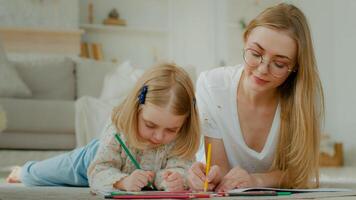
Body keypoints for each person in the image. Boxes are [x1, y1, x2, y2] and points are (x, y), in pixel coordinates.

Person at [187, 3, 324, 192]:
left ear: (295, 68)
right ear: (245, 39)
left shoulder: (302, 97)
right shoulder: (212, 85)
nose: (262, 69)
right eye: (255, 53)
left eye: (279, 64)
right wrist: (211, 176)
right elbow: (222, 177)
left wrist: (256, 180)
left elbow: (300, 172)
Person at [6, 63, 201, 193]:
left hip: (132, 174)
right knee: (42, 173)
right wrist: (123, 183)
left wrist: (172, 179)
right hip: (93, 161)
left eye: (171, 130)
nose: (159, 136)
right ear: (136, 109)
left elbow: (180, 168)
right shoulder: (119, 127)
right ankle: (22, 171)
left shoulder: (182, 136)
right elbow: (99, 170)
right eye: (150, 125)